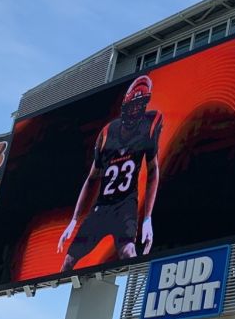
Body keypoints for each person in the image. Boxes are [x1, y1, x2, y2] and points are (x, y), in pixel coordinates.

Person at [57, 74, 162, 269]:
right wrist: (74, 219)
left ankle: (137, 289)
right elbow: (91, 179)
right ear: (125, 105)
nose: (136, 110)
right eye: (133, 105)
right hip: (101, 207)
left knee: (129, 251)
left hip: (126, 206)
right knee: (69, 260)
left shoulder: (150, 125)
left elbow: (153, 171)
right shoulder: (107, 133)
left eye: (140, 106)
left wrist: (148, 218)